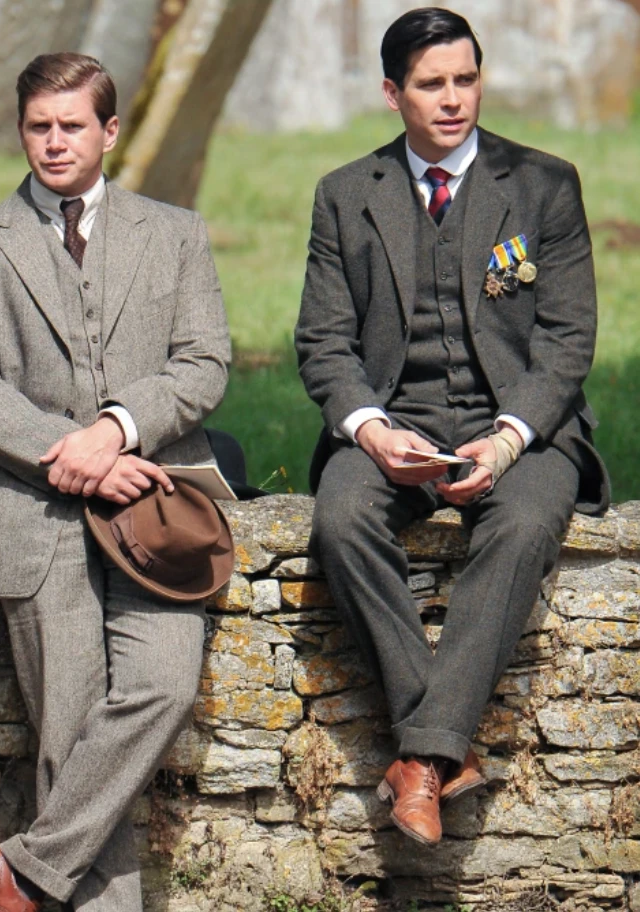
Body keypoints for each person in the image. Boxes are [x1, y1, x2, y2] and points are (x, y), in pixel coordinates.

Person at [295, 8, 609, 847]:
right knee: (341, 517)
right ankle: (440, 747)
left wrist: (507, 439)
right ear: (392, 92)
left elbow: (568, 339)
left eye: (465, 80)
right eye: (431, 84)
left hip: (523, 427)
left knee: (526, 525)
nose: (453, 99)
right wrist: (370, 431)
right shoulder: (345, 195)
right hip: (394, 423)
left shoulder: (544, 184)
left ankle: (419, 760)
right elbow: (322, 342)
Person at [0, 53, 231, 911]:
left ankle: (22, 869)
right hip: (32, 510)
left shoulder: (176, 233)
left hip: (154, 503)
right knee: (68, 729)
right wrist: (73, 455)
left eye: (73, 125)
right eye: (40, 126)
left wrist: (115, 431)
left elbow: (204, 362)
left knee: (164, 685)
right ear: (21, 131)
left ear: (110, 131)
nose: (55, 142)